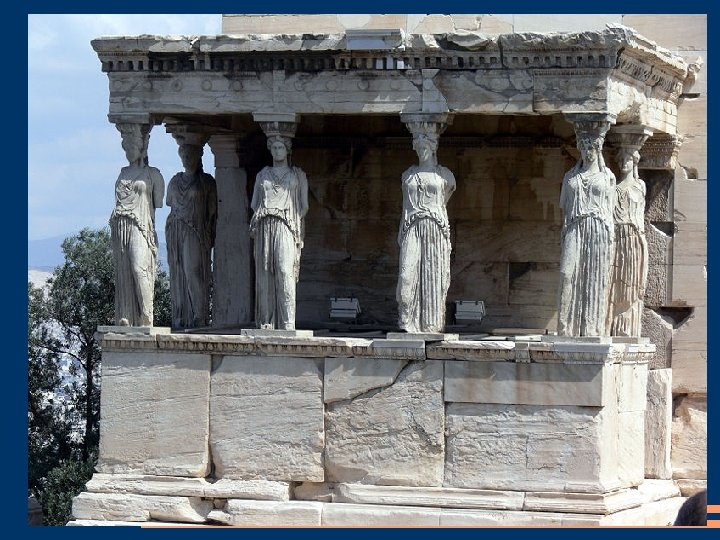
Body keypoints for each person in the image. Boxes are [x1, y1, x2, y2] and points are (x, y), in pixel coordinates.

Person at [557, 130, 616, 336]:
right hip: (574, 227)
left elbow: (610, 209)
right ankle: (565, 327)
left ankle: (591, 328)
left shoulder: (607, 177)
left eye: (591, 147)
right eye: (583, 147)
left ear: (598, 149)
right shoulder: (570, 176)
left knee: (594, 277)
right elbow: (564, 207)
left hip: (598, 228)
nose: (587, 152)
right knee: (567, 274)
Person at [397, 132, 456, 333]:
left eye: (425, 147)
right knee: (406, 275)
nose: (421, 151)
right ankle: (406, 321)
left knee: (433, 275)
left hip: (435, 227)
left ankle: (430, 324)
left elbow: (445, 198)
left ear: (432, 148)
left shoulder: (445, 175)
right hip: (411, 226)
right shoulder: (408, 175)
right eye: (418, 147)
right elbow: (405, 206)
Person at [249, 134, 308, 330]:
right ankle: (266, 321)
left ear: (287, 149)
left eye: (280, 147)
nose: (277, 151)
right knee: (265, 273)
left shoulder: (297, 175)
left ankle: (288, 321)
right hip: (264, 225)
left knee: (284, 270)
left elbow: (304, 206)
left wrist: (291, 220)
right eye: (273, 147)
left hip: (286, 225)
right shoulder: (262, 175)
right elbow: (254, 204)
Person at [109, 123, 165, 327]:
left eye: (133, 146)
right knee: (124, 270)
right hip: (120, 225)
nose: (129, 151)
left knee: (138, 267)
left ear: (142, 147)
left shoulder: (153, 174)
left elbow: (158, 202)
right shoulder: (122, 173)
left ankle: (147, 315)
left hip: (141, 225)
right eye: (126, 147)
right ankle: (127, 315)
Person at [165, 143, 217, 329]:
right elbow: (169, 204)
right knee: (178, 271)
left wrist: (210, 233)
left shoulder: (207, 182)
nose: (187, 159)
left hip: (196, 231)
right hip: (176, 229)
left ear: (198, 156)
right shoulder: (174, 181)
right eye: (184, 155)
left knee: (192, 271)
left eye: (190, 155)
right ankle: (183, 315)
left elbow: (213, 212)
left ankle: (200, 314)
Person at [607, 148, 648, 337]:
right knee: (614, 282)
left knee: (632, 283)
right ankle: (613, 325)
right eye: (621, 160)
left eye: (628, 160)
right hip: (616, 237)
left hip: (633, 238)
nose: (624, 163)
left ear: (634, 162)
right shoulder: (613, 187)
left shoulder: (640, 186)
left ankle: (627, 328)